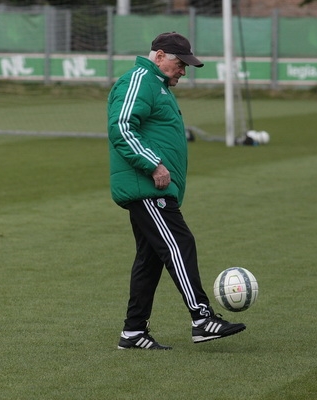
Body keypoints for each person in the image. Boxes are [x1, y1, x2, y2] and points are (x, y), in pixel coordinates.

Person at [107, 32, 246, 350]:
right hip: (146, 185)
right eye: (179, 62)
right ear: (158, 56)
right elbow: (122, 125)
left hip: (152, 186)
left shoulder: (157, 84)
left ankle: (133, 333)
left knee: (150, 258)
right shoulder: (140, 79)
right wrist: (153, 164)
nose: (183, 69)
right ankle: (202, 319)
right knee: (179, 243)